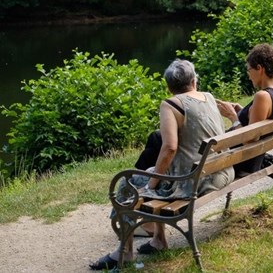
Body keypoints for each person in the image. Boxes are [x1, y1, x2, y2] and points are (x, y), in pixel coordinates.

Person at [90, 60, 235, 270]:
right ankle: (158, 239)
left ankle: (125, 251)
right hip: (222, 172)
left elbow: (169, 148)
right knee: (155, 175)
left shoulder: (171, 104)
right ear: (194, 81)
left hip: (194, 182)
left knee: (128, 182)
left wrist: (151, 184)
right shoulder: (209, 97)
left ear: (169, 86)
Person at [216, 43, 273, 177]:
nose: (248, 76)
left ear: (259, 68)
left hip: (239, 161)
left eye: (249, 70)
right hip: (246, 158)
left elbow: (249, 141)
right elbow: (260, 122)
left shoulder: (262, 96)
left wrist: (233, 117)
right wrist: (244, 111)